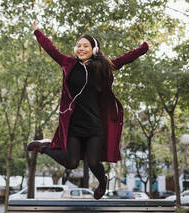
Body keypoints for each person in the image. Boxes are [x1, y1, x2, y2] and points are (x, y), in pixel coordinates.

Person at [27, 21, 149, 200]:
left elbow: (124, 59)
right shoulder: (68, 64)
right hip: (74, 124)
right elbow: (50, 49)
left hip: (94, 124)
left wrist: (143, 48)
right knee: (71, 163)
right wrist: (37, 32)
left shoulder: (103, 67)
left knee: (93, 162)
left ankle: (102, 181)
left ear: (95, 49)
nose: (81, 48)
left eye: (86, 46)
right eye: (79, 45)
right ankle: (44, 147)